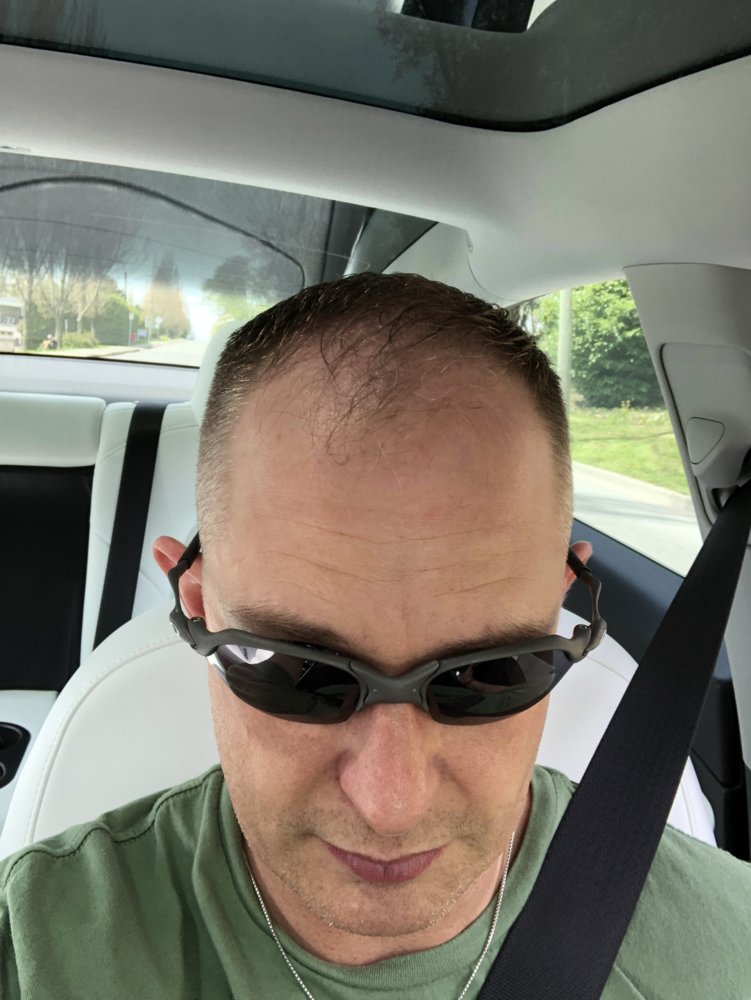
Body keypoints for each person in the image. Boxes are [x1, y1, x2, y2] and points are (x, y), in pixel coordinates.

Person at [1, 273, 749, 999]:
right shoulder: (31, 954)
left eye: (489, 673)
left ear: (557, 610)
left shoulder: (730, 952)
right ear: (197, 605)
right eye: (298, 672)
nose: (391, 804)